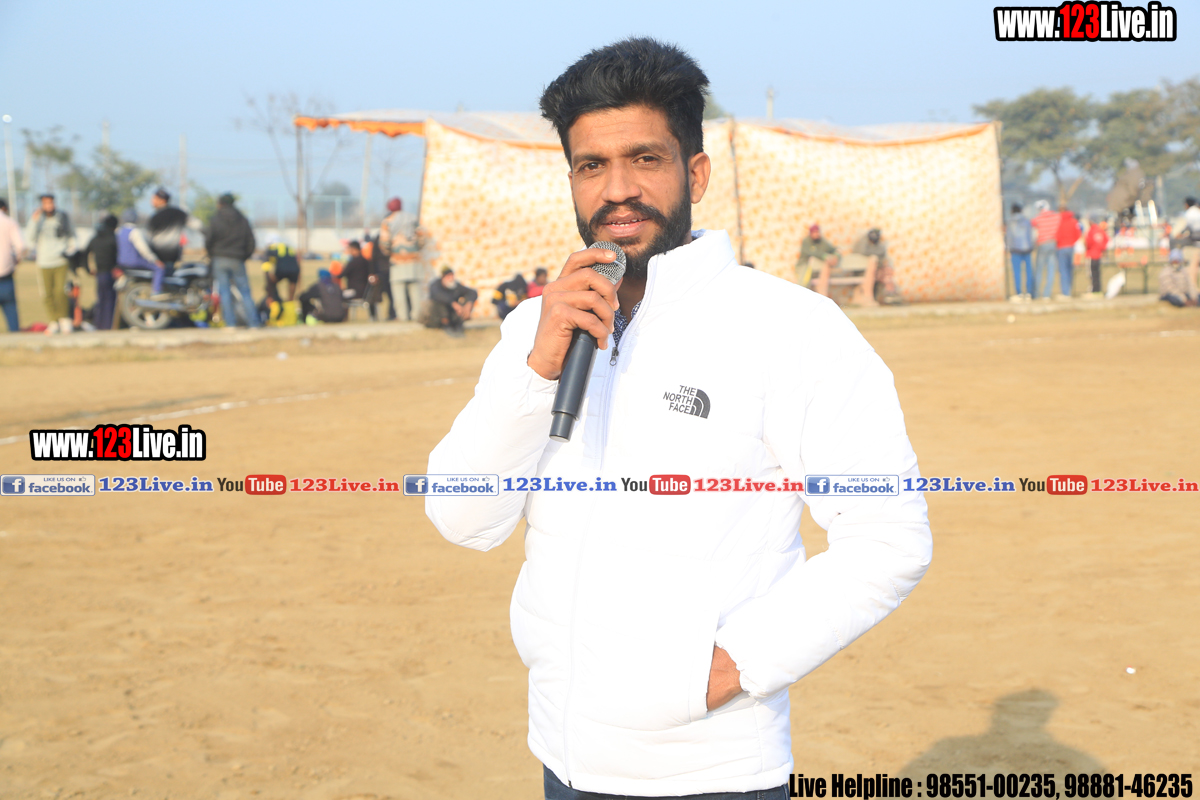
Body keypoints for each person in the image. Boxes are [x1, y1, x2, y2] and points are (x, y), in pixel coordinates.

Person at [425, 37, 931, 800]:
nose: (618, 190)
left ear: (694, 173)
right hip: (562, 755)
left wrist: (724, 670)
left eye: (645, 159)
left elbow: (888, 536)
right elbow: (463, 519)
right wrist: (534, 372)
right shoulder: (537, 326)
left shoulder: (790, 329)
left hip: (712, 770)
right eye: (592, 165)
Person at [203, 193, 260, 328]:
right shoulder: (242, 219)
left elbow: (208, 240)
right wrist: (244, 256)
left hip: (219, 258)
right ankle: (254, 323)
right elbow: (251, 241)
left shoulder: (215, 219)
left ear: (220, 203)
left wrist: (212, 254)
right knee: (245, 292)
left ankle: (230, 324)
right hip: (237, 259)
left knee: (224, 292)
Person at [24, 193, 75, 334]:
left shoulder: (62, 216)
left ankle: (64, 319)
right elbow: (29, 239)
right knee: (47, 294)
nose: (49, 206)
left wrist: (70, 249)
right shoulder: (38, 218)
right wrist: (33, 221)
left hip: (60, 260)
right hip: (44, 261)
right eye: (46, 203)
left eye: (51, 202)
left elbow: (72, 235)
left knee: (60, 291)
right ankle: (54, 321)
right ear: (42, 204)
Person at [378, 197, 422, 320]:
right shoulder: (413, 218)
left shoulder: (388, 221)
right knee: (415, 290)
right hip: (414, 260)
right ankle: (417, 316)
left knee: (398, 291)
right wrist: (416, 249)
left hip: (397, 260)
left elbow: (384, 242)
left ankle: (403, 317)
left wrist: (389, 252)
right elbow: (422, 237)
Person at [116, 208, 167, 297]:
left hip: (121, 262)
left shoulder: (119, 231)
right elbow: (143, 250)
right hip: (134, 262)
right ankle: (156, 291)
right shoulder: (135, 231)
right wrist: (155, 260)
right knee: (159, 268)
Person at [851, 227, 901, 304]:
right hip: (863, 271)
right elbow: (862, 253)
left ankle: (891, 293)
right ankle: (869, 295)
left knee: (887, 271)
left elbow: (882, 256)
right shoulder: (863, 243)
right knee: (873, 261)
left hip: (877, 270)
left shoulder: (880, 245)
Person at [87, 214, 119, 331]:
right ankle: (108, 324)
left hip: (99, 273)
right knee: (110, 299)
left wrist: (88, 269)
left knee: (101, 299)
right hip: (111, 273)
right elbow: (118, 256)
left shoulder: (95, 238)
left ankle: (99, 324)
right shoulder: (113, 238)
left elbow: (85, 252)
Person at [425, 267, 477, 335]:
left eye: (452, 276)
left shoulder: (455, 286)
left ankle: (458, 324)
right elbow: (438, 295)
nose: (451, 279)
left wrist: (469, 305)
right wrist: (453, 304)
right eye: (448, 276)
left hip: (452, 315)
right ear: (443, 277)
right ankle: (446, 325)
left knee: (465, 301)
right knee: (440, 303)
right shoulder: (435, 285)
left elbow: (472, 292)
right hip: (436, 317)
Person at [147, 187, 187, 272]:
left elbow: (148, 237)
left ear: (162, 200)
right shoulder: (179, 213)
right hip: (174, 255)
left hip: (158, 256)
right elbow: (196, 225)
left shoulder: (155, 217)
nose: (152, 201)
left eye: (154, 198)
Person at [0, 198, 25, 333]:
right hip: (6, 276)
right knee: (11, 312)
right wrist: (16, 260)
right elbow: (20, 247)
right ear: (4, 208)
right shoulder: (10, 222)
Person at [797, 223, 841, 295]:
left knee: (826, 267)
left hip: (819, 269)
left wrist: (836, 256)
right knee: (804, 282)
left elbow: (833, 249)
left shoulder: (822, 241)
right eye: (814, 232)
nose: (816, 234)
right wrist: (824, 256)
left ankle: (821, 292)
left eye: (817, 232)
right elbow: (812, 252)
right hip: (805, 265)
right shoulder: (806, 241)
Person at [1030, 199, 1060, 300]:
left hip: (1042, 244)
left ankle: (1036, 294)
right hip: (1053, 243)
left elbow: (1032, 226)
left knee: (1039, 270)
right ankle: (1047, 294)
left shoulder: (1037, 219)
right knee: (1051, 270)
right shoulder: (1056, 217)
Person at [1005, 203, 1034, 301]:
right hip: (1027, 249)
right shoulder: (1026, 221)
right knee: (1028, 272)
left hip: (1015, 250)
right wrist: (1031, 246)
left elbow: (1009, 237)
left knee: (1017, 272)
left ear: (1012, 211)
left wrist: (1008, 248)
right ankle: (1029, 293)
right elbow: (1030, 235)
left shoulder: (1010, 222)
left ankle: (1019, 293)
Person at [261, 237, 301, 302]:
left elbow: (266, 266)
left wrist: (268, 279)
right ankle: (290, 302)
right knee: (292, 284)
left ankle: (272, 299)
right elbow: (297, 260)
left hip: (282, 269)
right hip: (294, 269)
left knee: (271, 283)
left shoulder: (271, 248)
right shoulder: (287, 247)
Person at [1054, 205, 1081, 301]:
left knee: (1063, 270)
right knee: (1070, 270)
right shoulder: (1074, 221)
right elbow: (1078, 235)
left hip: (1061, 248)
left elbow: (1056, 236)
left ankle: (1065, 292)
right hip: (1071, 248)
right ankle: (1069, 290)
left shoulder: (1058, 221)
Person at [1083, 217, 1109, 296]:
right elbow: (1106, 240)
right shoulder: (1100, 231)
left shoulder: (1091, 231)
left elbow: (1088, 243)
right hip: (1098, 255)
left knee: (1091, 274)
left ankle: (1093, 290)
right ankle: (1098, 289)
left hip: (1091, 255)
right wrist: (1102, 249)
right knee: (1097, 273)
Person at [1181, 197, 1200, 301]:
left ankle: (1193, 290)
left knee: (1192, 267)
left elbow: (1183, 228)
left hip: (1194, 244)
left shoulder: (1189, 213)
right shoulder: (1197, 212)